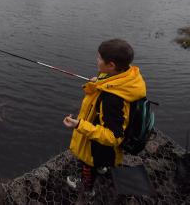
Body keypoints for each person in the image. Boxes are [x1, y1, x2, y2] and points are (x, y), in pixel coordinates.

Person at [63, 39, 147, 198]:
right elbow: (109, 86)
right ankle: (102, 166)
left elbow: (113, 136)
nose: (97, 60)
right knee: (101, 160)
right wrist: (100, 82)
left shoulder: (112, 99)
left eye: (99, 58)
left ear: (112, 65)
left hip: (98, 144)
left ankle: (87, 189)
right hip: (104, 140)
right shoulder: (126, 77)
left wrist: (79, 125)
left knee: (88, 164)